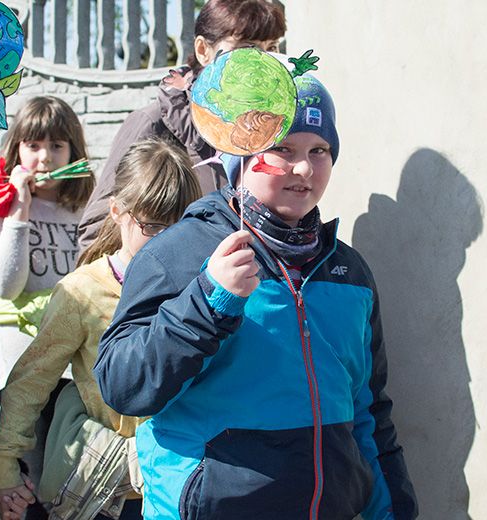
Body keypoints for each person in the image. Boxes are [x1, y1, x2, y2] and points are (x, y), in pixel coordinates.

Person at [94, 73, 419, 519]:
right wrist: (208, 302)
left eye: (319, 150)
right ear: (239, 153)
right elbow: (122, 386)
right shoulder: (178, 253)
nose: (303, 169)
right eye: (282, 149)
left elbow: (370, 414)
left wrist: (395, 511)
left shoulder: (350, 273)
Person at [0, 139, 202, 520]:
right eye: (153, 225)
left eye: (181, 226)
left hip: (184, 482)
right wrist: (4, 468)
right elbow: (31, 381)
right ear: (117, 211)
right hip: (109, 493)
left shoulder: (204, 286)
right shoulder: (81, 292)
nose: (168, 240)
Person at [77, 0, 286, 248]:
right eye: (247, 47)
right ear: (203, 50)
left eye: (271, 48)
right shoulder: (152, 123)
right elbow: (95, 233)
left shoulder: (278, 130)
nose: (262, 60)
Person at [0, 96, 94, 501]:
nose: (45, 157)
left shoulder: (86, 209)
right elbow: (6, 285)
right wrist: (20, 209)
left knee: (69, 471)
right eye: (34, 146)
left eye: (57, 146)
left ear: (73, 151)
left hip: (73, 357)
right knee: (31, 468)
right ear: (17, 150)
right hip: (20, 359)